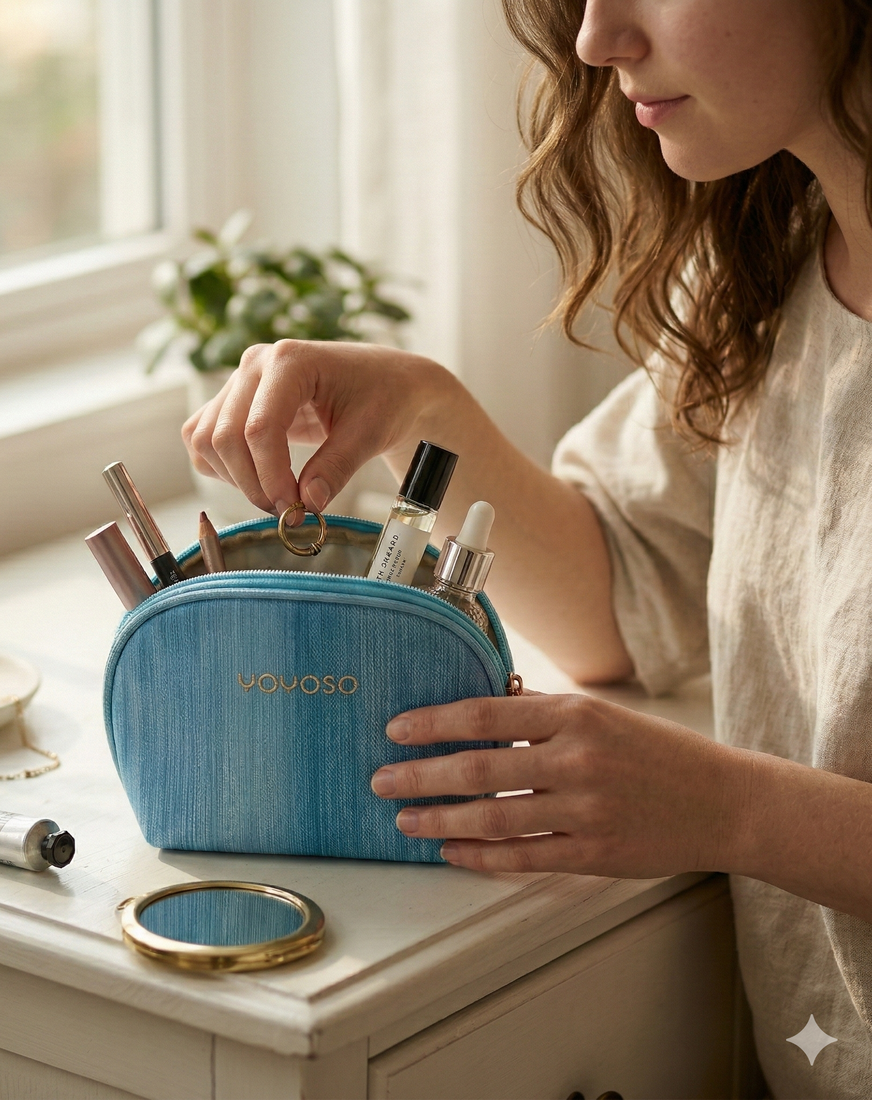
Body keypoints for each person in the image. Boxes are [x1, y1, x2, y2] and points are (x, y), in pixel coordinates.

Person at [183, 2, 872, 1093]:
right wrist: (421, 405)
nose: (596, 40)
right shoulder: (779, 264)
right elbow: (617, 601)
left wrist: (731, 808)